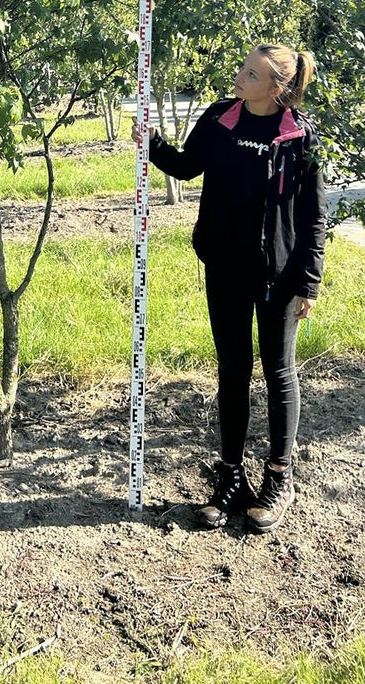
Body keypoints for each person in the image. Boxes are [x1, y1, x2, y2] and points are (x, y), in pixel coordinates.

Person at [131, 43, 326, 534]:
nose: (239, 78)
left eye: (251, 74)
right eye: (242, 68)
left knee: (278, 372)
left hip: (279, 277)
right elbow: (186, 166)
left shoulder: (300, 137)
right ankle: (231, 477)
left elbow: (313, 216)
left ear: (278, 89)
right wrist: (150, 143)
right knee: (232, 371)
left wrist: (308, 280)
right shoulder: (220, 118)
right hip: (225, 267)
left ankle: (278, 478)